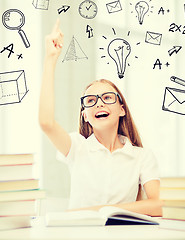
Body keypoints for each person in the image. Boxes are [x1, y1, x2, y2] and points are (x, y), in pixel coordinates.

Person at [39, 19, 163, 217]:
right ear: (85, 116)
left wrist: (99, 211)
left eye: (107, 97)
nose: (99, 103)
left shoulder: (142, 157)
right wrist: (50, 59)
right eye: (90, 100)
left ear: (122, 109)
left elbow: (156, 206)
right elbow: (46, 123)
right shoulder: (76, 147)